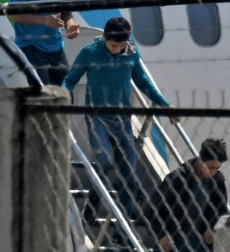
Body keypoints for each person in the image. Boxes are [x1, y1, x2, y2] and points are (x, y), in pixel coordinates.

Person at [62, 16, 177, 219]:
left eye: (121, 45)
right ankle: (92, 207)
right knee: (104, 164)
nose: (117, 49)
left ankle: (124, 225)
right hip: (97, 117)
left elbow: (143, 82)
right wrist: (60, 95)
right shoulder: (90, 53)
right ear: (105, 38)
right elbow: (71, 78)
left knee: (129, 178)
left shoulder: (130, 53)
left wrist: (164, 104)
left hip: (122, 120)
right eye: (114, 45)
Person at [140, 138, 230, 252]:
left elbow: (221, 212)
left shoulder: (217, 180)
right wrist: (161, 236)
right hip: (175, 244)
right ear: (201, 159)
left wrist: (213, 231)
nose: (213, 172)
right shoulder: (176, 179)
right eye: (210, 167)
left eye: (217, 168)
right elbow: (151, 210)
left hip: (201, 246)